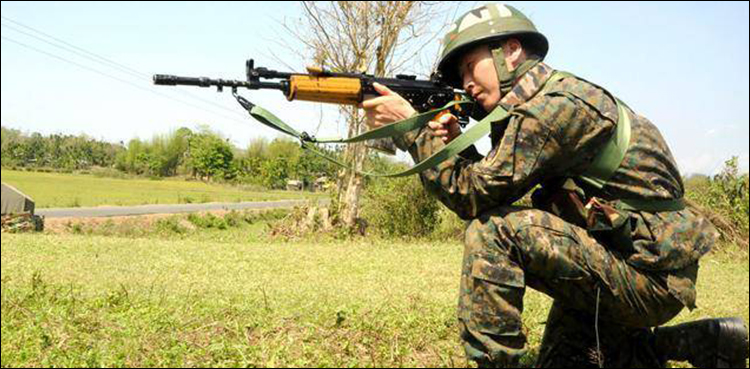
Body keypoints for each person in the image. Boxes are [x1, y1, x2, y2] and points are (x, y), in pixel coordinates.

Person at [362, 3, 749, 368]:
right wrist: (446, 147)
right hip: (625, 261)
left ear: (510, 50)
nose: (466, 84)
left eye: (469, 67)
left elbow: (475, 199)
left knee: (495, 232)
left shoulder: (550, 109)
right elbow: (488, 184)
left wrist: (415, 133)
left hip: (647, 278)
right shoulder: (542, 101)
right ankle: (711, 340)